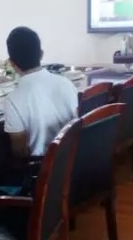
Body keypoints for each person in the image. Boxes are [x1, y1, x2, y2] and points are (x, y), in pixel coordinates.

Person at [4, 27, 78, 158]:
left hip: (42, 166)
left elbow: (19, 150)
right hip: (73, 159)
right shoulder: (65, 83)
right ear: (41, 54)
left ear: (11, 63)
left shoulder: (13, 99)